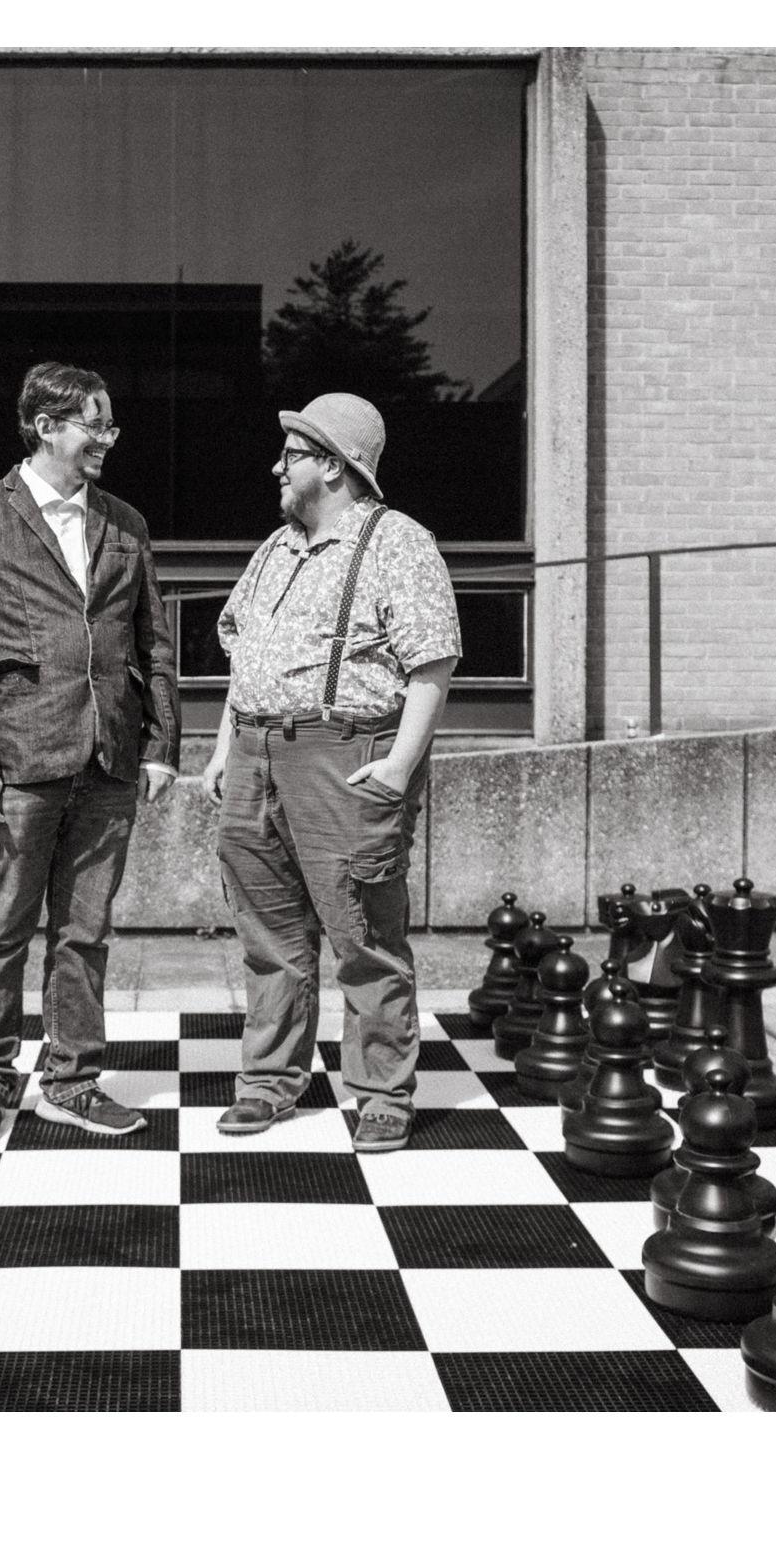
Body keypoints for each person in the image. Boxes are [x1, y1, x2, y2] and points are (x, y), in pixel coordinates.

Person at [203, 393, 462, 1153]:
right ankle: (268, 1081)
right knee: (269, 934)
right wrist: (222, 747)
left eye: (292, 455)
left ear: (335, 465)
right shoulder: (274, 548)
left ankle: (381, 1092)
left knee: (362, 934)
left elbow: (433, 663)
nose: (277, 467)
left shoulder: (397, 542)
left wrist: (398, 766)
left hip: (344, 756)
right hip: (255, 755)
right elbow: (243, 655)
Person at [0, 361, 180, 1142]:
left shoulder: (126, 523)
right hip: (18, 762)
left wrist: (162, 744)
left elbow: (155, 641)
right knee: (1, 929)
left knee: (85, 933)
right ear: (45, 427)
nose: (107, 439)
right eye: (93, 424)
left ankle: (72, 1081)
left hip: (109, 760)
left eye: (110, 425)